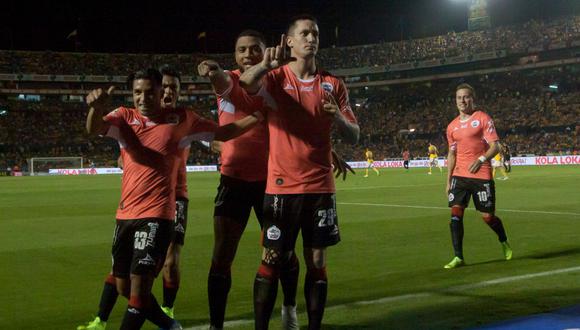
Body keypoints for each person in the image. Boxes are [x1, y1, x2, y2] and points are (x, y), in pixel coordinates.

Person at [84, 68, 262, 329]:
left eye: (149, 92)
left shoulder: (182, 119)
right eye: (137, 92)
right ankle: (168, 324)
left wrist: (257, 116)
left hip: (158, 215)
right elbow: (93, 128)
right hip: (125, 215)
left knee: (140, 289)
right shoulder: (123, 117)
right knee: (123, 286)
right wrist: (95, 108)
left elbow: (224, 132)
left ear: (161, 91)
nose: (143, 98)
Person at [198, 30, 353, 330]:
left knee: (280, 253)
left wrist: (328, 151)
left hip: (272, 181)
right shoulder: (231, 79)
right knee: (221, 255)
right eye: (241, 50)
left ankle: (289, 309)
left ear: (265, 50)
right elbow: (220, 81)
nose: (248, 55)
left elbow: (300, 122)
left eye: (254, 49)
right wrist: (211, 69)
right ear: (234, 55)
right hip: (233, 180)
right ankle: (216, 325)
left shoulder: (277, 81)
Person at [239, 14, 359, 330]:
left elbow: (355, 134)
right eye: (304, 33)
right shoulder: (276, 79)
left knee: (317, 260)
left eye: (315, 33)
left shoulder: (333, 84)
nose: (311, 38)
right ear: (289, 40)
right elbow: (245, 83)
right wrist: (265, 63)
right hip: (281, 187)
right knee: (272, 258)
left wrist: (340, 120)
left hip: (320, 186)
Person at [78, 66, 190, 330]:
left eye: (175, 87)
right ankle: (163, 322)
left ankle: (167, 307)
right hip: (134, 205)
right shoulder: (135, 118)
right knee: (124, 275)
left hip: (174, 198)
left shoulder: (183, 119)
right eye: (167, 86)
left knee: (167, 262)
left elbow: (215, 138)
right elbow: (121, 144)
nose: (169, 92)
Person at [444, 83, 513, 269]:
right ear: (455, 101)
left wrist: (482, 159)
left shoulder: (482, 118)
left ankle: (503, 240)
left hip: (481, 176)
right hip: (460, 176)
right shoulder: (451, 127)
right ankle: (458, 257)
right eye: (459, 98)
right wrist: (448, 180)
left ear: (472, 99)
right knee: (455, 215)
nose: (462, 101)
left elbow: (496, 146)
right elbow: (451, 154)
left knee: (487, 217)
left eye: (466, 97)